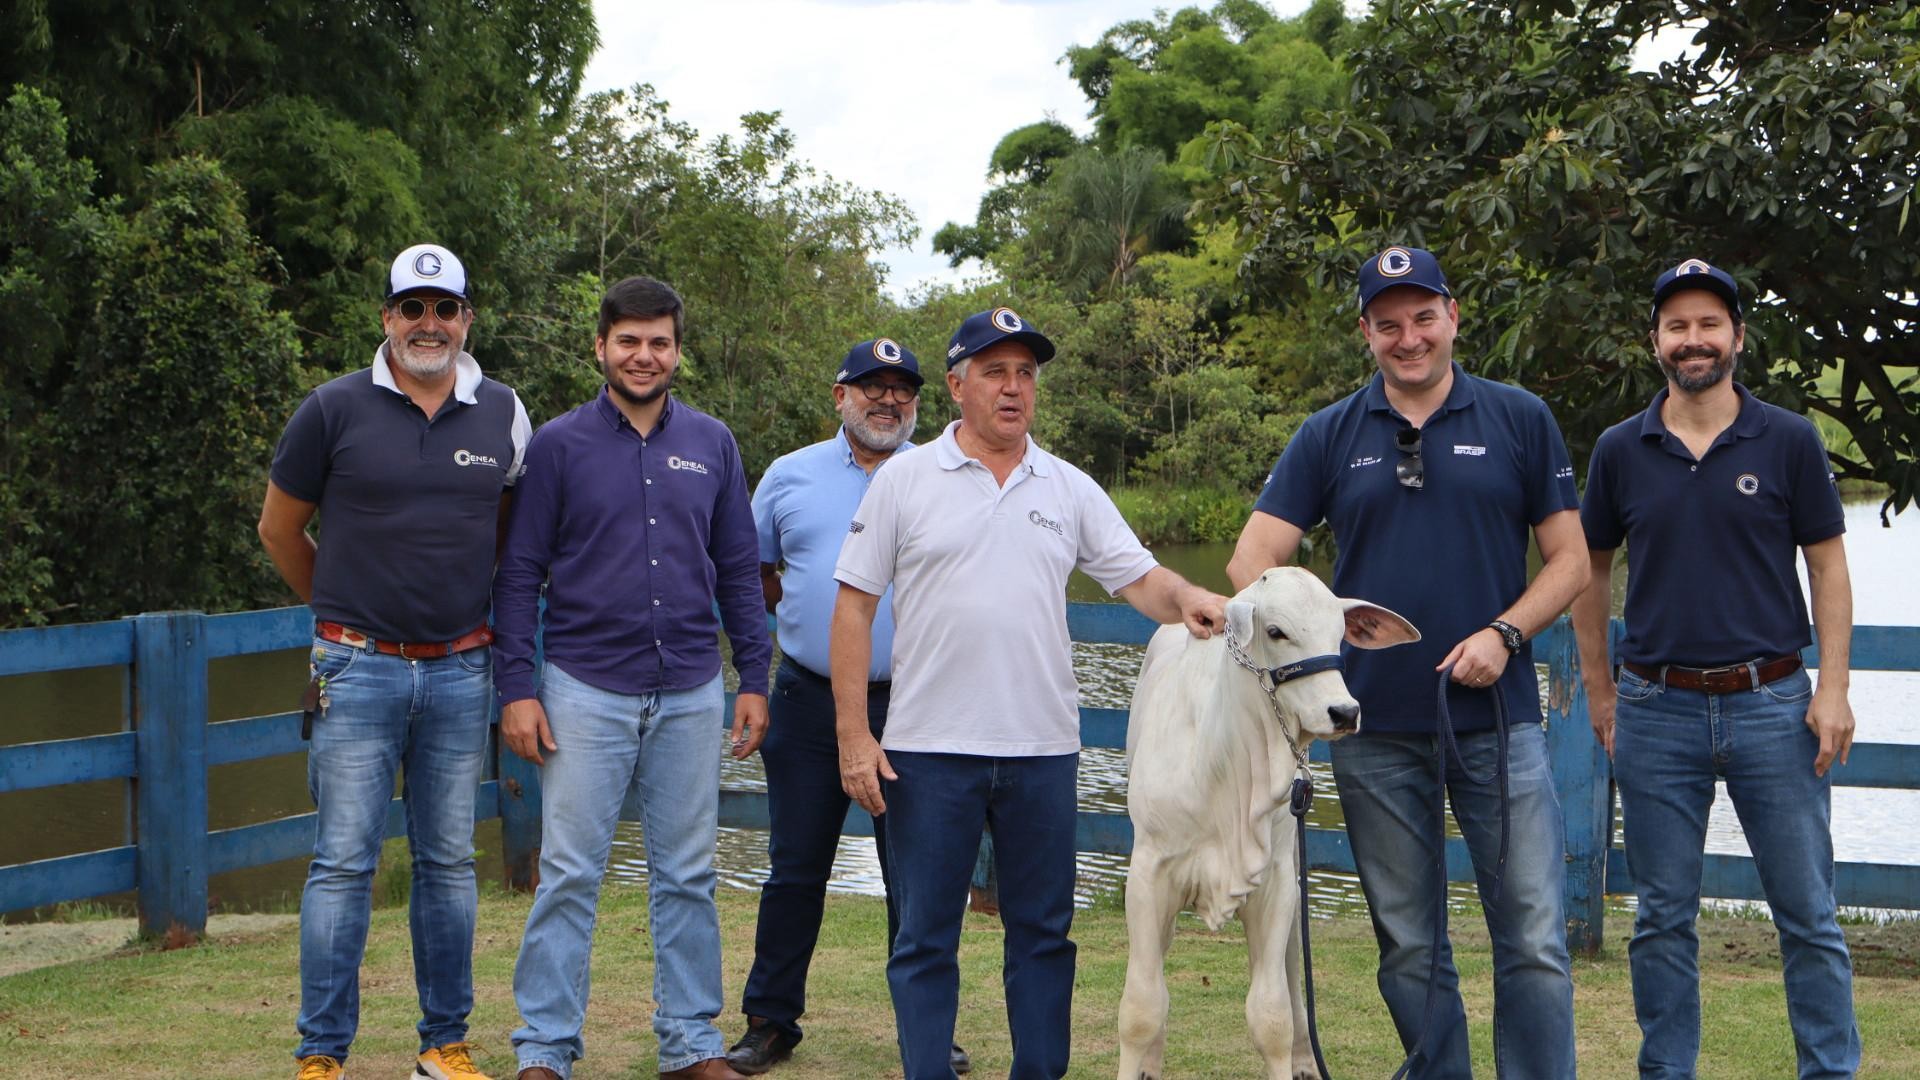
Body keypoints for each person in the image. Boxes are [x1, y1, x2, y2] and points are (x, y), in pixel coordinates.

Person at [833, 307, 1228, 1080]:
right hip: (927, 751)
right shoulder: (904, 481)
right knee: (924, 937)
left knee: (1043, 934)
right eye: (994, 372)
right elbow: (853, 606)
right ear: (956, 386)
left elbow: (1139, 577)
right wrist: (855, 735)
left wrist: (1187, 598)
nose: (1013, 389)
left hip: (1043, 751)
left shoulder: (1068, 486)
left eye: (1024, 374)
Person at [1226, 247, 1587, 1078]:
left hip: (1501, 724)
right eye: (1388, 323)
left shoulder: (1519, 417)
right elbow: (1253, 563)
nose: (1409, 337)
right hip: (1375, 730)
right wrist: (1321, 641)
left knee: (1532, 934)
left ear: (1453, 316)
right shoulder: (1329, 434)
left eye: (1424, 317)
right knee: (1409, 942)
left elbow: (1569, 562)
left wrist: (1505, 633)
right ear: (1366, 332)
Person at [1572, 259, 1859, 1079]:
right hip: (1655, 709)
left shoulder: (1791, 440)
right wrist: (1601, 690)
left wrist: (1833, 688)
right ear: (1655, 340)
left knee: (1807, 913)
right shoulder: (1622, 449)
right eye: (1676, 326)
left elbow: (1829, 569)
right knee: (1662, 918)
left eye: (1708, 324)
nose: (1692, 340)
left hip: (1774, 704)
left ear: (1736, 335)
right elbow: (1588, 571)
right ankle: (1668, 1072)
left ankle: (1830, 1070)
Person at [260, 243, 530, 1080]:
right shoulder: (331, 409)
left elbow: (507, 536)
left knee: (449, 863)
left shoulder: (505, 414)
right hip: (357, 669)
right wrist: (343, 613)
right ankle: (321, 1054)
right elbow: (279, 530)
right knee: (343, 863)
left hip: (459, 670)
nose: (428, 323)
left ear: (466, 320)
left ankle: (442, 1045)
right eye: (411, 308)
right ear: (386, 318)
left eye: (444, 308)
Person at [492, 276, 771, 1080]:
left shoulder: (714, 443)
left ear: (678, 350)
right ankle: (545, 1050)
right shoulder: (558, 445)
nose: (644, 356)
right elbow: (519, 576)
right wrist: (518, 686)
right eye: (629, 341)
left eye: (660, 342)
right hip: (583, 686)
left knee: (687, 874)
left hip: (691, 687)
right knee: (570, 872)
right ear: (601, 347)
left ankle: (690, 1045)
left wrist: (752, 675)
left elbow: (739, 570)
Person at [726, 339, 971, 1075]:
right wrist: (798, 623)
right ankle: (770, 1021)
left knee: (918, 875)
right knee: (795, 867)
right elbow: (752, 570)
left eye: (902, 390)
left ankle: (926, 1031)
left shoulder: (945, 476)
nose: (887, 401)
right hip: (806, 699)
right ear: (840, 396)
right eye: (871, 387)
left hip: (917, 704)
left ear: (919, 403)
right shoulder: (788, 475)